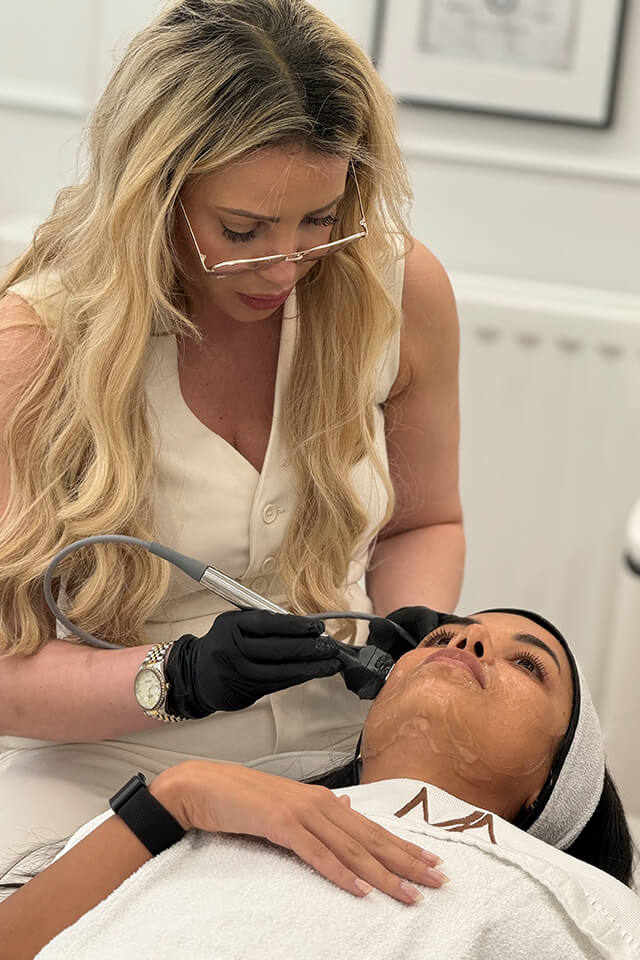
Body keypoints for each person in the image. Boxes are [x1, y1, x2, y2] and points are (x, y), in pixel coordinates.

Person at [0, 0, 465, 898]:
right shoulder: (34, 349)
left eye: (320, 220)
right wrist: (172, 678)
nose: (286, 269)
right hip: (107, 769)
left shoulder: (398, 294)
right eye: (241, 232)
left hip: (352, 756)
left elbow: (425, 521)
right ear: (151, 193)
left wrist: (412, 630)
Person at [2, 609, 638, 959]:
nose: (466, 639)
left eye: (527, 664)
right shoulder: (198, 810)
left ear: (550, 786)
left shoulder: (577, 908)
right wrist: (179, 795)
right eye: (443, 636)